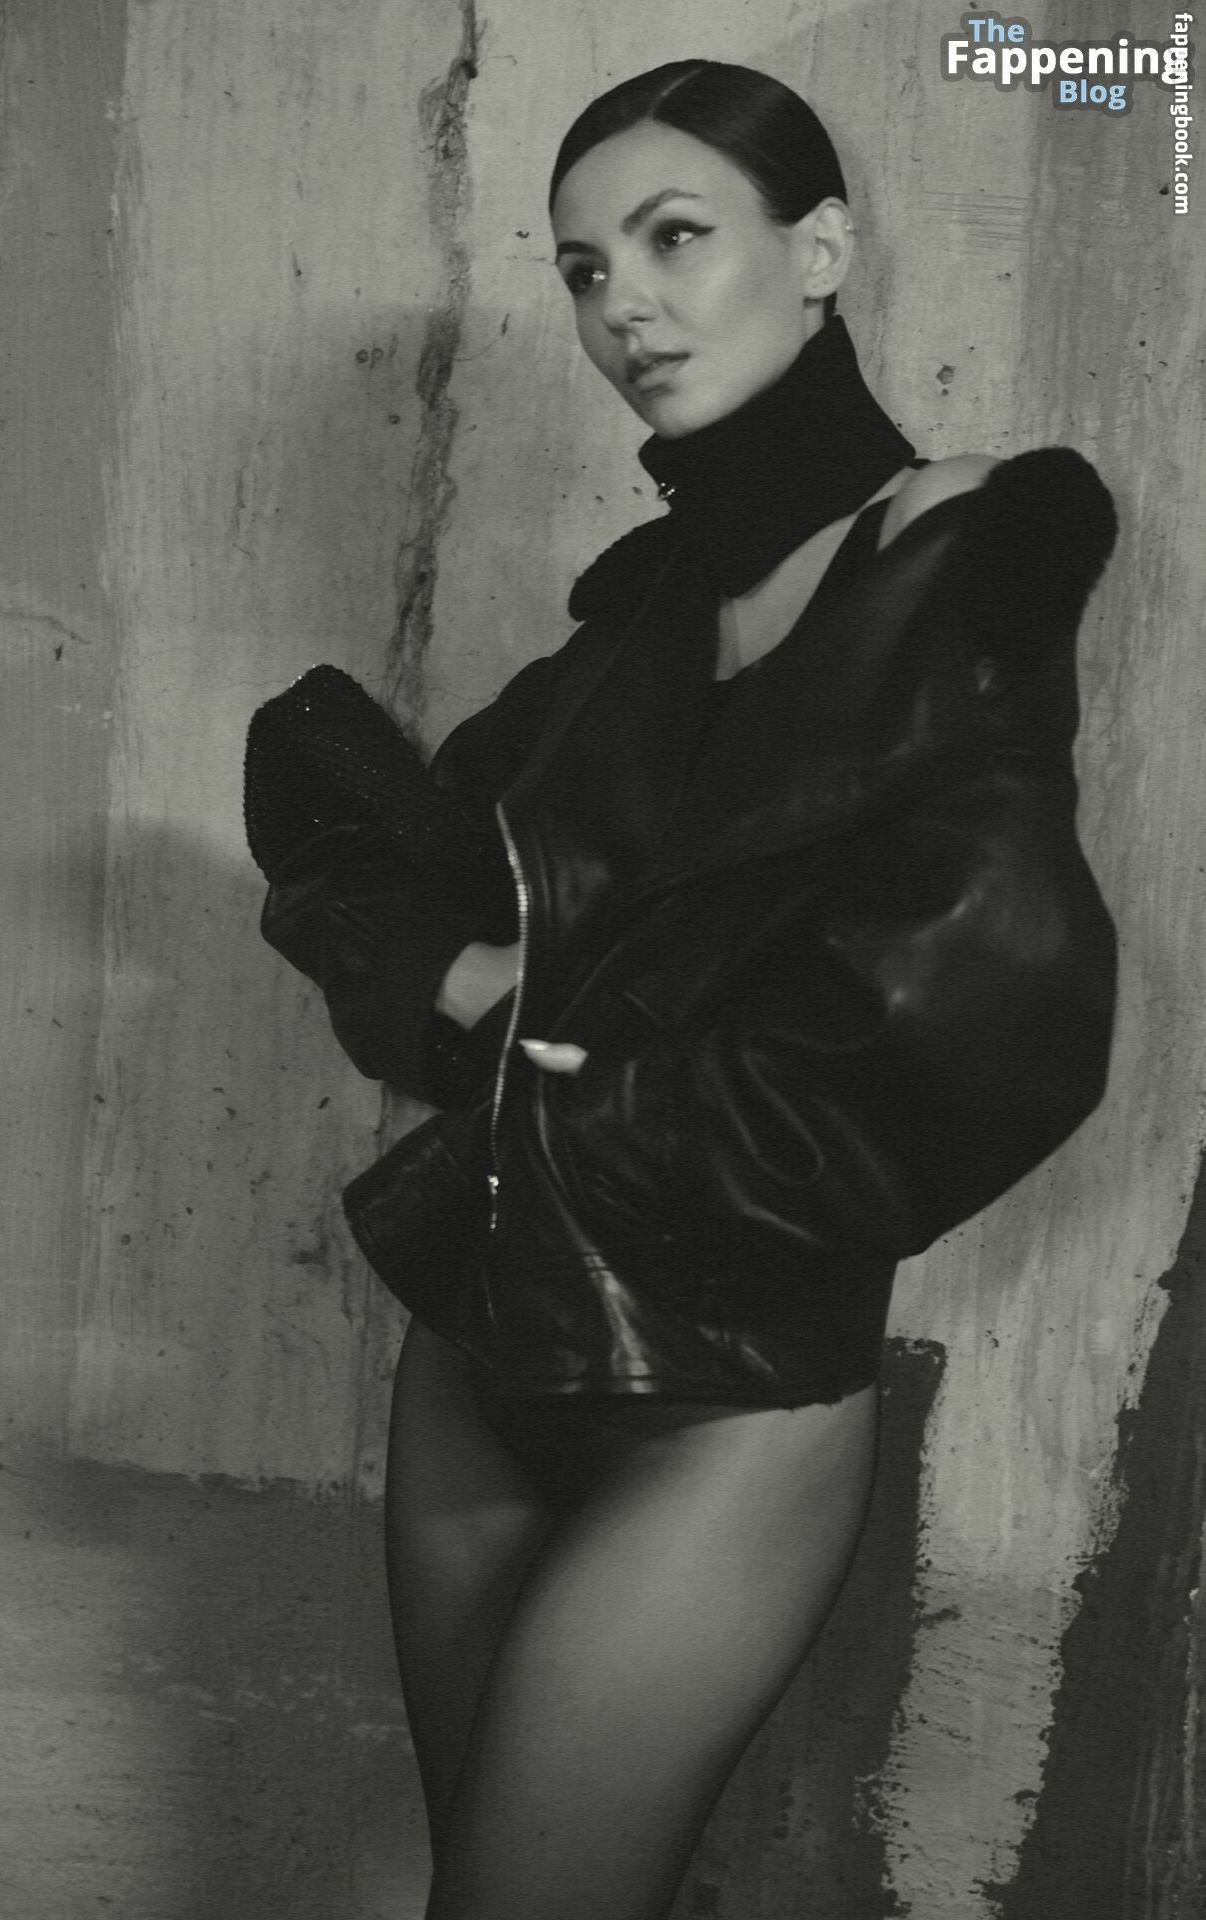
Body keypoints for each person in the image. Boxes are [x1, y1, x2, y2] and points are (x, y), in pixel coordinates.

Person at [247, 59, 1119, 1920]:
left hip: (728, 1394)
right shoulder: (635, 610)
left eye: (672, 238)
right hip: (483, 1350)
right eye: (582, 270)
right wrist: (462, 983)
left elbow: (998, 1002)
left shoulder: (965, 549)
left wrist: (618, 1111)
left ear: (822, 249)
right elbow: (373, 857)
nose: (621, 307)